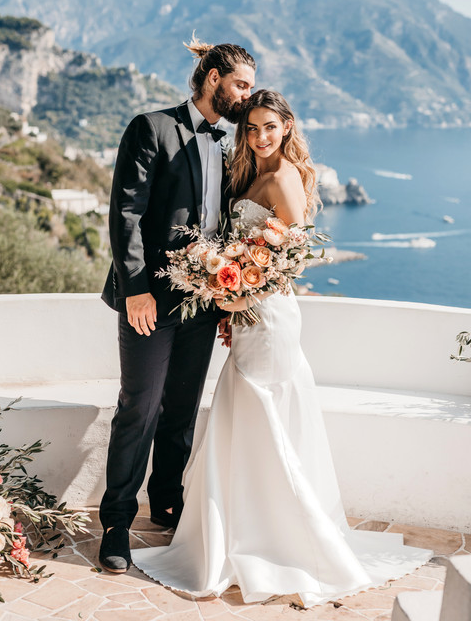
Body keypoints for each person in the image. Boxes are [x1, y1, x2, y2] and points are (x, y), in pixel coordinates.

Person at [131, 90, 433, 608]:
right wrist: (229, 301)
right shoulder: (246, 174)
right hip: (246, 313)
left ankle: (277, 539)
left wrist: (239, 291)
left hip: (270, 316)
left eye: (270, 126)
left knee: (262, 413)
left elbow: (292, 259)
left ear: (288, 127)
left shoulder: (285, 177)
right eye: (251, 128)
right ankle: (243, 531)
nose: (260, 136)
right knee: (243, 415)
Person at [98, 36, 256, 574]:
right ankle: (116, 521)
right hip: (150, 298)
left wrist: (232, 298)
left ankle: (166, 504)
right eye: (240, 83)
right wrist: (136, 288)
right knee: (138, 406)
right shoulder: (151, 127)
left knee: (182, 408)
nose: (246, 94)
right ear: (213, 78)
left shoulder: (234, 144)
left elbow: (231, 223)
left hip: (205, 301)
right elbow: (126, 214)